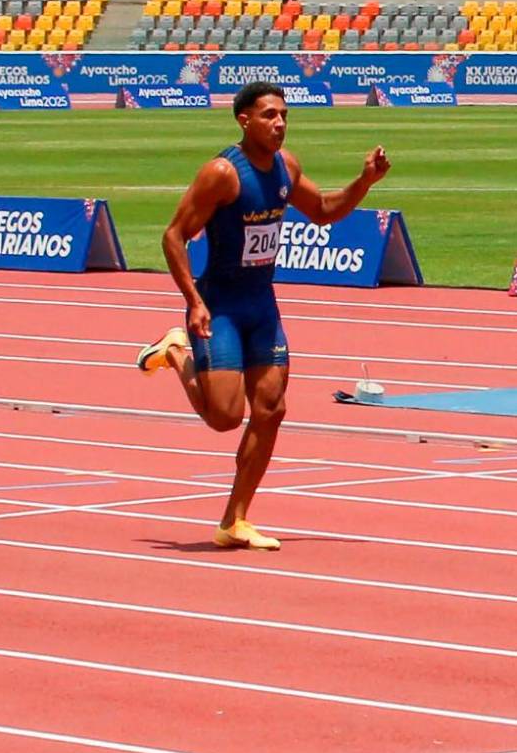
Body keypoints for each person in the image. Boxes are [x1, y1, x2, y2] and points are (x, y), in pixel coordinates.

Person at [136, 81, 390, 551]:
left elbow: (324, 210)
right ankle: (175, 350)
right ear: (244, 120)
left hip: (261, 304)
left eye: (285, 115)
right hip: (222, 305)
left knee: (271, 410)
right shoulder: (221, 174)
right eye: (270, 115)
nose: (279, 124)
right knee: (225, 417)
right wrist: (193, 300)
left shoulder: (285, 166)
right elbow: (174, 237)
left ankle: (235, 519)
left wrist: (364, 182)